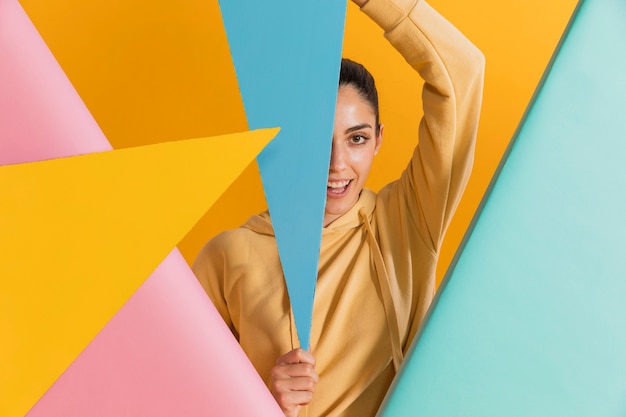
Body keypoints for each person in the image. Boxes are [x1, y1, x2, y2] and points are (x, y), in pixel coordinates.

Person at [192, 0, 485, 415]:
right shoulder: (226, 257)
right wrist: (258, 397)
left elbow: (463, 72)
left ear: (379, 139)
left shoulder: (408, 222)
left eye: (357, 138)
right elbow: (171, 389)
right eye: (315, 139)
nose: (337, 164)